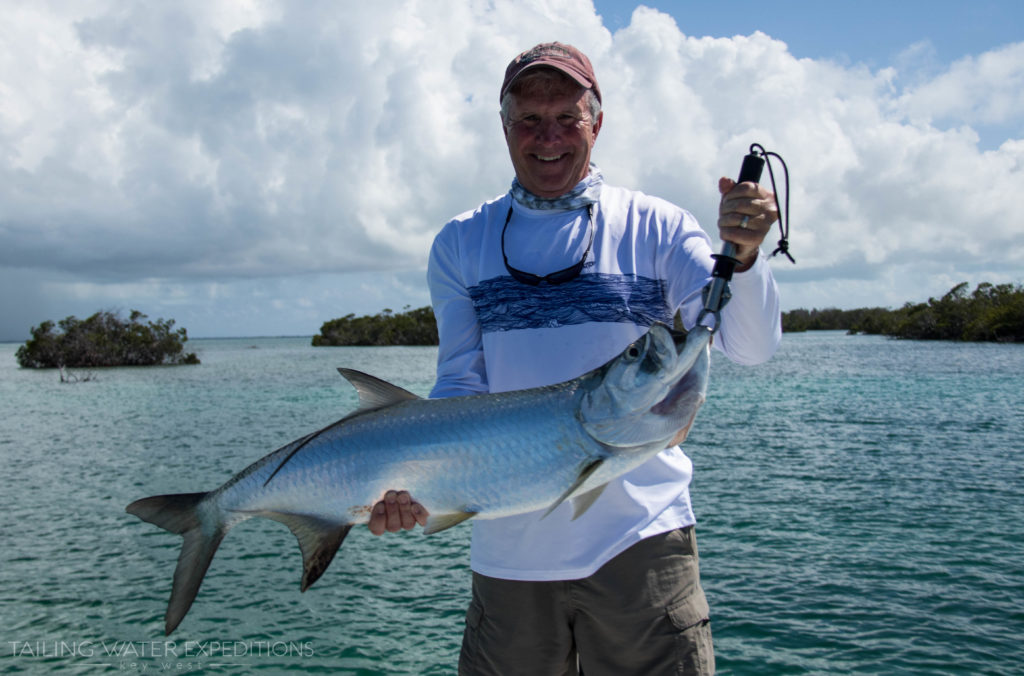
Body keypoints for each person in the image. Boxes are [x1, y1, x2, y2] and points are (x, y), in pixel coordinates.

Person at [369, 42, 781, 675]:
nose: (549, 137)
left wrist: (746, 258)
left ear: (598, 121)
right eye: (529, 121)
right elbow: (459, 383)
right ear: (504, 128)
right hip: (507, 559)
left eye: (567, 117)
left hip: (641, 548)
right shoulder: (460, 241)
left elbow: (748, 346)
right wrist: (414, 480)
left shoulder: (661, 227)